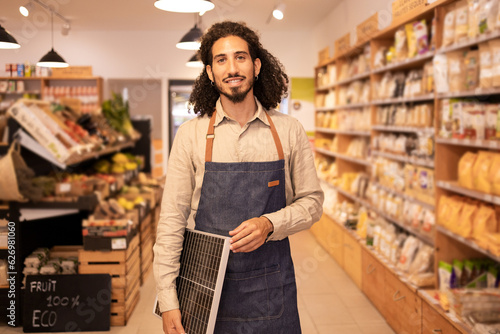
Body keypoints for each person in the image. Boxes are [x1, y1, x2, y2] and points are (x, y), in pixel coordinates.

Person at [153, 21, 324, 334]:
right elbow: (171, 223)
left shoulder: (287, 131)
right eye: (221, 60)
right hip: (204, 290)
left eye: (240, 57)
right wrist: (167, 299)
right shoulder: (190, 136)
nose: (232, 68)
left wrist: (270, 224)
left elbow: (312, 202)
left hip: (271, 286)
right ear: (209, 72)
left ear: (256, 66)